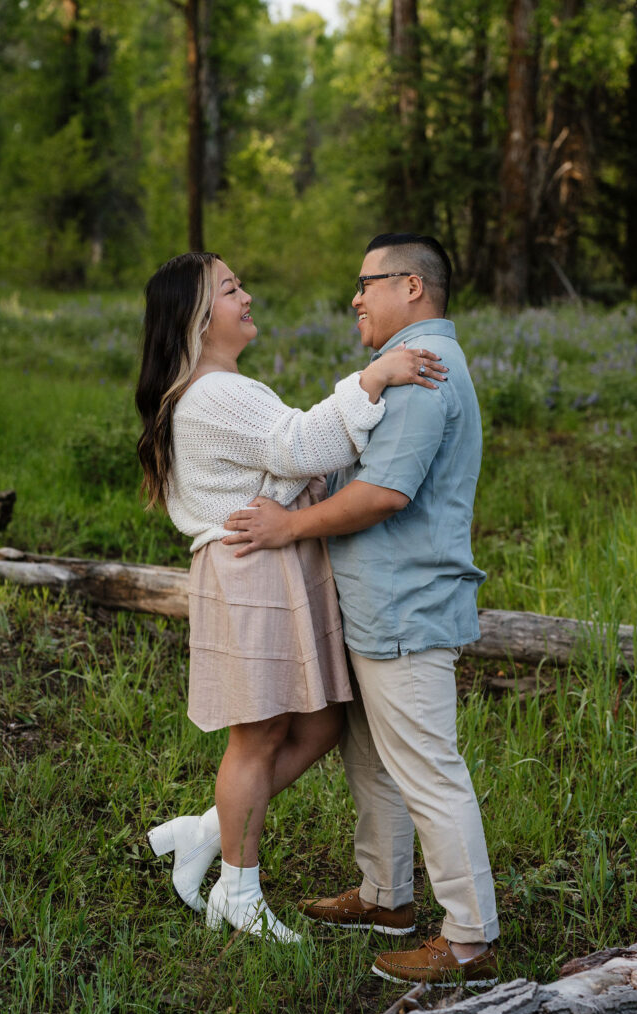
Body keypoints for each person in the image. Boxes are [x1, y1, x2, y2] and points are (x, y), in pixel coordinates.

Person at [135, 250, 445, 942]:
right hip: (251, 568)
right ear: (193, 318)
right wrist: (371, 377)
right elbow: (301, 444)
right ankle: (237, 892)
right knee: (259, 735)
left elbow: (292, 447)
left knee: (318, 724)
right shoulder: (213, 393)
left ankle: (207, 832)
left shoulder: (223, 386)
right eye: (229, 288)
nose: (246, 296)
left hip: (273, 561)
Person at [221, 233, 500, 984]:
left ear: (411, 286)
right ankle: (386, 897)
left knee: (427, 770)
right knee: (372, 758)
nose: (354, 298)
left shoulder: (423, 372)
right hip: (380, 606)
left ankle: (469, 939)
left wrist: (286, 526)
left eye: (366, 283)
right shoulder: (403, 367)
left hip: (407, 607)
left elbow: (384, 495)